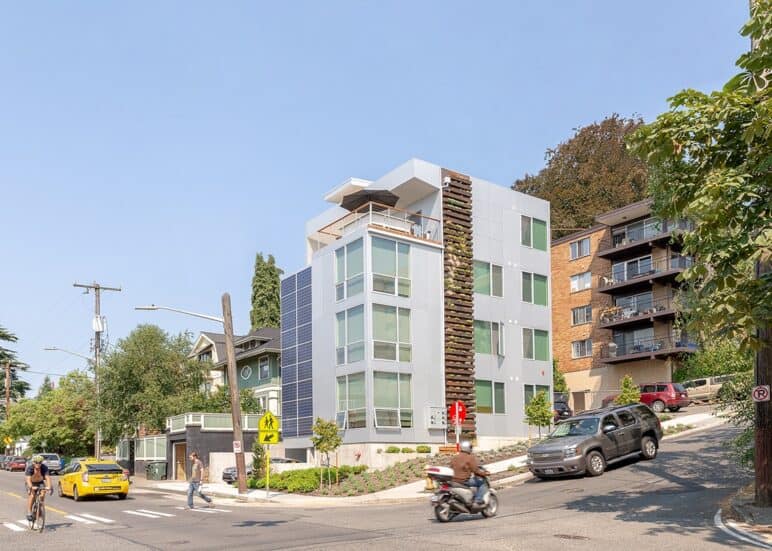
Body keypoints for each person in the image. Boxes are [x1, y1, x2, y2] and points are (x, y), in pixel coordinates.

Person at [449, 440, 490, 506]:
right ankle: (478, 500)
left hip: (453, 480)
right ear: (467, 448)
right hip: (464, 481)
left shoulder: (455, 457)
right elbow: (475, 470)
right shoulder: (470, 457)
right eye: (470, 447)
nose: (471, 449)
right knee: (482, 483)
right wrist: (485, 473)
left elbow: (451, 468)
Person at [25, 455, 52, 521]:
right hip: (31, 483)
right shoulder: (30, 468)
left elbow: (47, 478)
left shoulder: (44, 468)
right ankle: (29, 512)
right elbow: (28, 479)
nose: (38, 464)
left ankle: (39, 508)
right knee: (32, 495)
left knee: (42, 494)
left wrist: (49, 487)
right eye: (36, 462)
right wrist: (31, 487)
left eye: (40, 462)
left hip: (40, 482)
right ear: (33, 462)